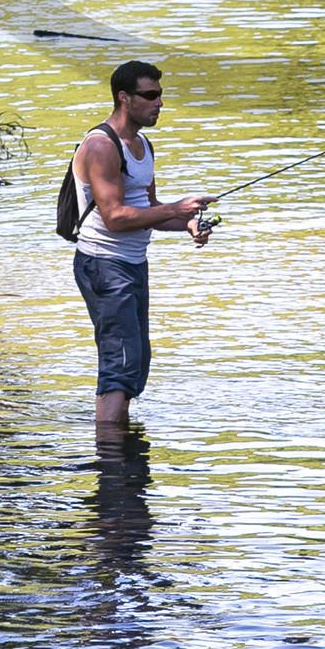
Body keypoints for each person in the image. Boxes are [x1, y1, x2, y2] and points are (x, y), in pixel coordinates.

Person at [69, 60, 211, 431]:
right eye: (149, 95)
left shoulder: (143, 145)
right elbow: (115, 218)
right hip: (103, 265)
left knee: (137, 361)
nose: (159, 103)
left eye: (160, 95)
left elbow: (148, 211)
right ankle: (110, 453)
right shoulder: (101, 147)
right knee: (119, 364)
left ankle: (120, 440)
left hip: (133, 263)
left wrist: (187, 223)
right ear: (124, 98)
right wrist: (175, 208)